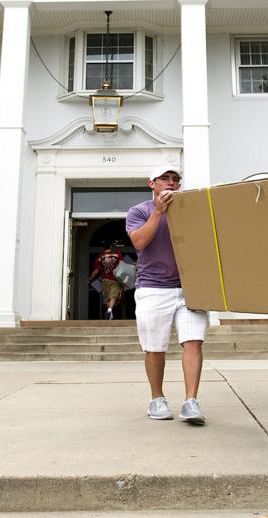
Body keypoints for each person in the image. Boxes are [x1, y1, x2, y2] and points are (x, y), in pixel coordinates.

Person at [126, 165, 210, 424]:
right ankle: (157, 398)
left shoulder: (191, 210)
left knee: (193, 340)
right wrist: (160, 211)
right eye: (165, 178)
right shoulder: (139, 211)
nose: (171, 183)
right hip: (153, 288)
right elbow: (139, 241)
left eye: (176, 179)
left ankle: (191, 401)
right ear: (152, 183)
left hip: (189, 289)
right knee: (154, 347)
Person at [90, 245, 126, 320]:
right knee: (113, 296)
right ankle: (109, 311)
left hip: (104, 280)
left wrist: (89, 279)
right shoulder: (117, 254)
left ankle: (110, 313)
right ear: (111, 247)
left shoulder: (100, 257)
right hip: (115, 279)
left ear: (103, 248)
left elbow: (96, 270)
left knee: (107, 298)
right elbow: (123, 265)